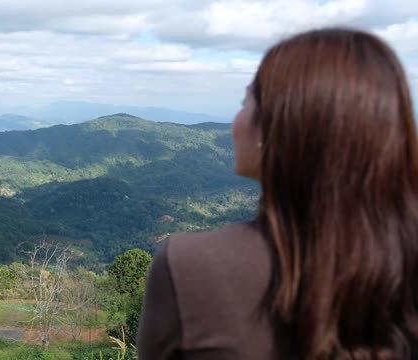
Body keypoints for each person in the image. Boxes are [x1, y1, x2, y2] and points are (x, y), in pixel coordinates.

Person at [137, 28, 418, 360]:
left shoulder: (190, 267)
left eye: (245, 102)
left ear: (276, 127)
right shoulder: (401, 265)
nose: (235, 119)